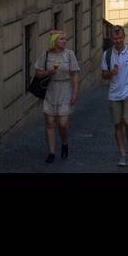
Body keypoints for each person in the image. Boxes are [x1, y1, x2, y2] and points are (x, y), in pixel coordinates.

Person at [33, 30, 80, 163]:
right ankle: (51, 152)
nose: (65, 41)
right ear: (54, 41)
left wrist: (75, 92)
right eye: (61, 39)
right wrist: (48, 72)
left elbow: (75, 74)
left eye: (65, 39)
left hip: (65, 88)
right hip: (50, 90)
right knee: (49, 123)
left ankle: (64, 143)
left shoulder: (69, 54)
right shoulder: (46, 55)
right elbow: (37, 73)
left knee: (63, 123)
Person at [103, 25, 128, 167]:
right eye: (115, 38)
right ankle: (122, 154)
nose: (118, 40)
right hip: (114, 94)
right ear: (112, 39)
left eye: (120, 38)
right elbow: (103, 75)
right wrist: (111, 73)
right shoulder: (107, 55)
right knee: (118, 125)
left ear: (124, 37)